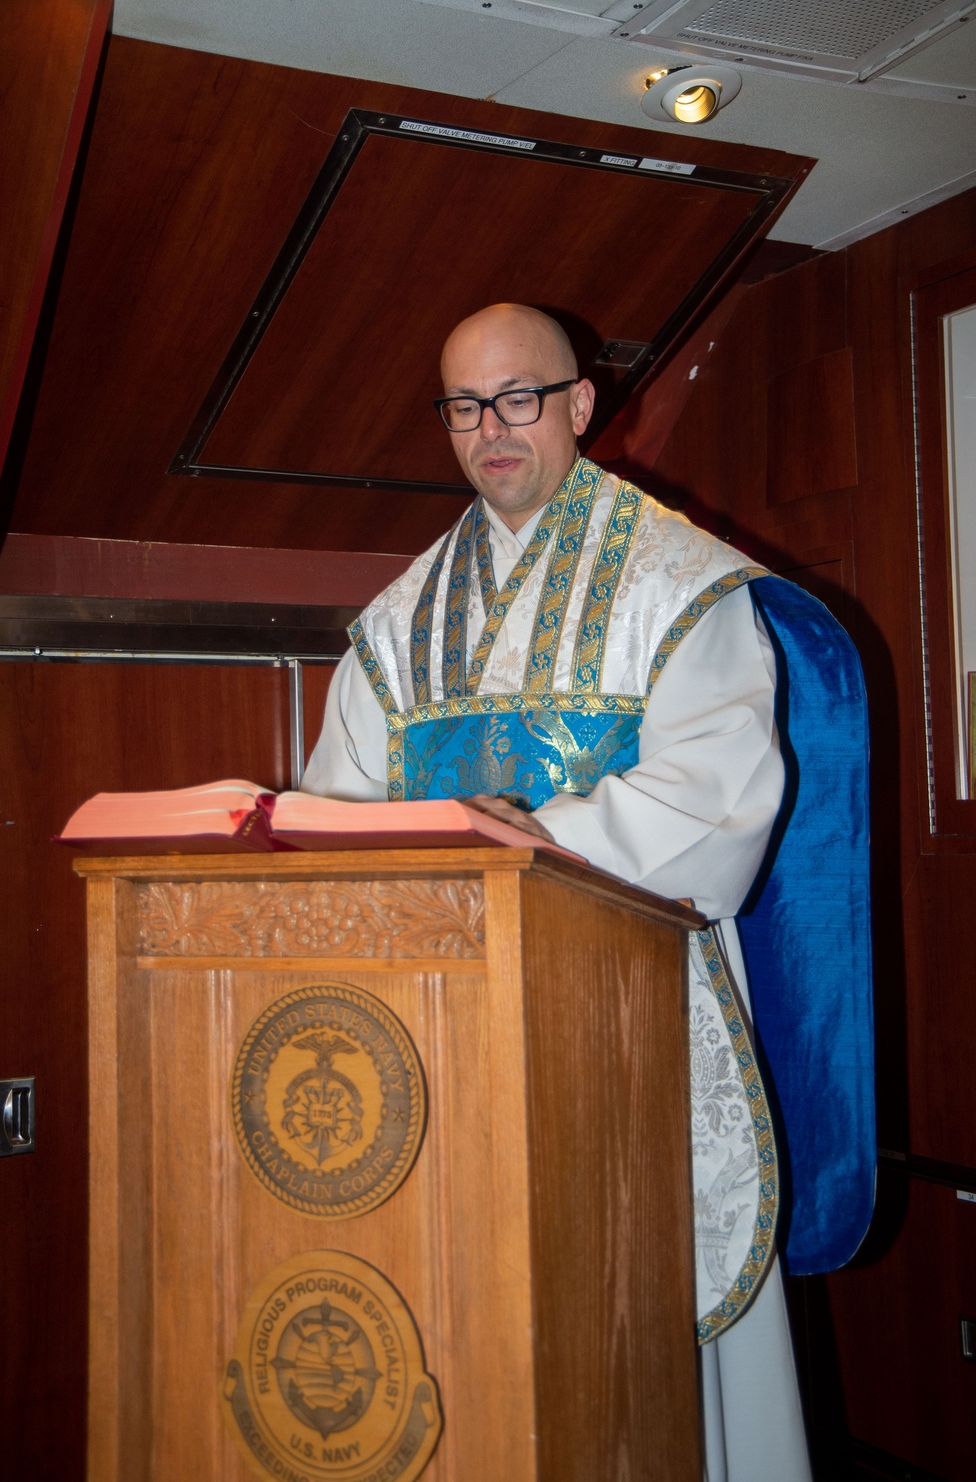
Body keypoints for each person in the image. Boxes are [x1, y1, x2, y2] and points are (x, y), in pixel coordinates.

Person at [303, 303, 874, 1481]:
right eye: (463, 404)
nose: (489, 428)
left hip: (629, 1015)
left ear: (578, 405)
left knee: (637, 1318)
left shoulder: (680, 586)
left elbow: (720, 794)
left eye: (517, 397)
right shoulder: (398, 623)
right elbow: (337, 809)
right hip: (445, 1022)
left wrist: (532, 838)